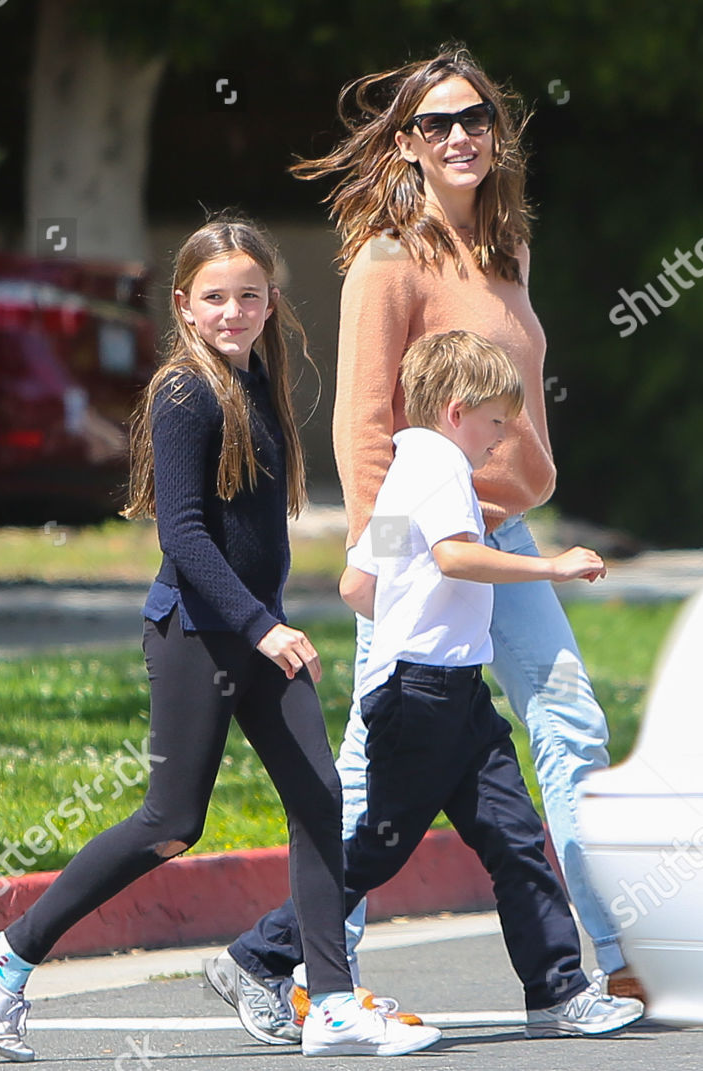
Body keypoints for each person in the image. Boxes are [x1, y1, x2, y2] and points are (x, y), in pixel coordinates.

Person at [0, 218, 440, 1061]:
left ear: (270, 302)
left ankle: (326, 998)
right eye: (215, 297)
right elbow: (181, 534)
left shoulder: (258, 380)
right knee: (170, 823)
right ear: (183, 304)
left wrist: (272, 618)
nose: (233, 311)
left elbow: (255, 533)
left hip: (255, 635)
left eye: (249, 296)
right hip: (197, 637)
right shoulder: (184, 393)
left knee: (320, 799)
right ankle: (6, 952)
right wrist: (264, 626)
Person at [298, 45, 643, 1003]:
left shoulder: (507, 249)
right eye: (437, 123)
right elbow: (364, 425)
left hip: (507, 536)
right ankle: (310, 968)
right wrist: (383, 559)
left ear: (498, 130)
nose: (461, 136)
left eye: (476, 117)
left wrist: (530, 478)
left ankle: (615, 957)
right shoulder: (386, 262)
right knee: (373, 755)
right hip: (421, 549)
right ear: (406, 143)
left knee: (569, 716)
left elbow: (519, 397)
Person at [214, 330, 644, 1040]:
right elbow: (453, 556)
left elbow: (358, 586)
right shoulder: (443, 467)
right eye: (495, 422)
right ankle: (258, 957)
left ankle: (558, 991)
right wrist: (553, 567)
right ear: (455, 410)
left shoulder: (404, 469)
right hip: (421, 697)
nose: (500, 441)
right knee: (376, 850)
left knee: (512, 835)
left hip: (453, 694)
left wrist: (411, 613)